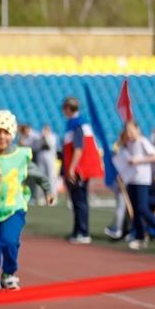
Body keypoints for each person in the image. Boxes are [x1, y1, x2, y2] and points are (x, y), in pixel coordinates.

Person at [0, 110, 55, 309]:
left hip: (14, 208)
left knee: (9, 240)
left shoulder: (21, 156)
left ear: (13, 134)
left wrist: (48, 190)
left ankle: (8, 273)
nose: (2, 136)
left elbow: (39, 176)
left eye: (6, 132)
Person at [60, 96, 104, 244]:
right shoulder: (77, 124)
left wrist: (72, 168)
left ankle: (83, 232)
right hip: (79, 167)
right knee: (77, 200)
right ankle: (77, 230)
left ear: (67, 108)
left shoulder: (77, 125)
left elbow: (78, 148)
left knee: (79, 200)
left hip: (80, 169)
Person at [118, 120, 155, 250]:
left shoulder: (143, 142)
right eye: (127, 132)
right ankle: (140, 236)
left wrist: (138, 161)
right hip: (132, 179)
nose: (130, 134)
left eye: (131, 131)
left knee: (142, 208)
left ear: (137, 129)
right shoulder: (129, 143)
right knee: (135, 210)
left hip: (142, 180)